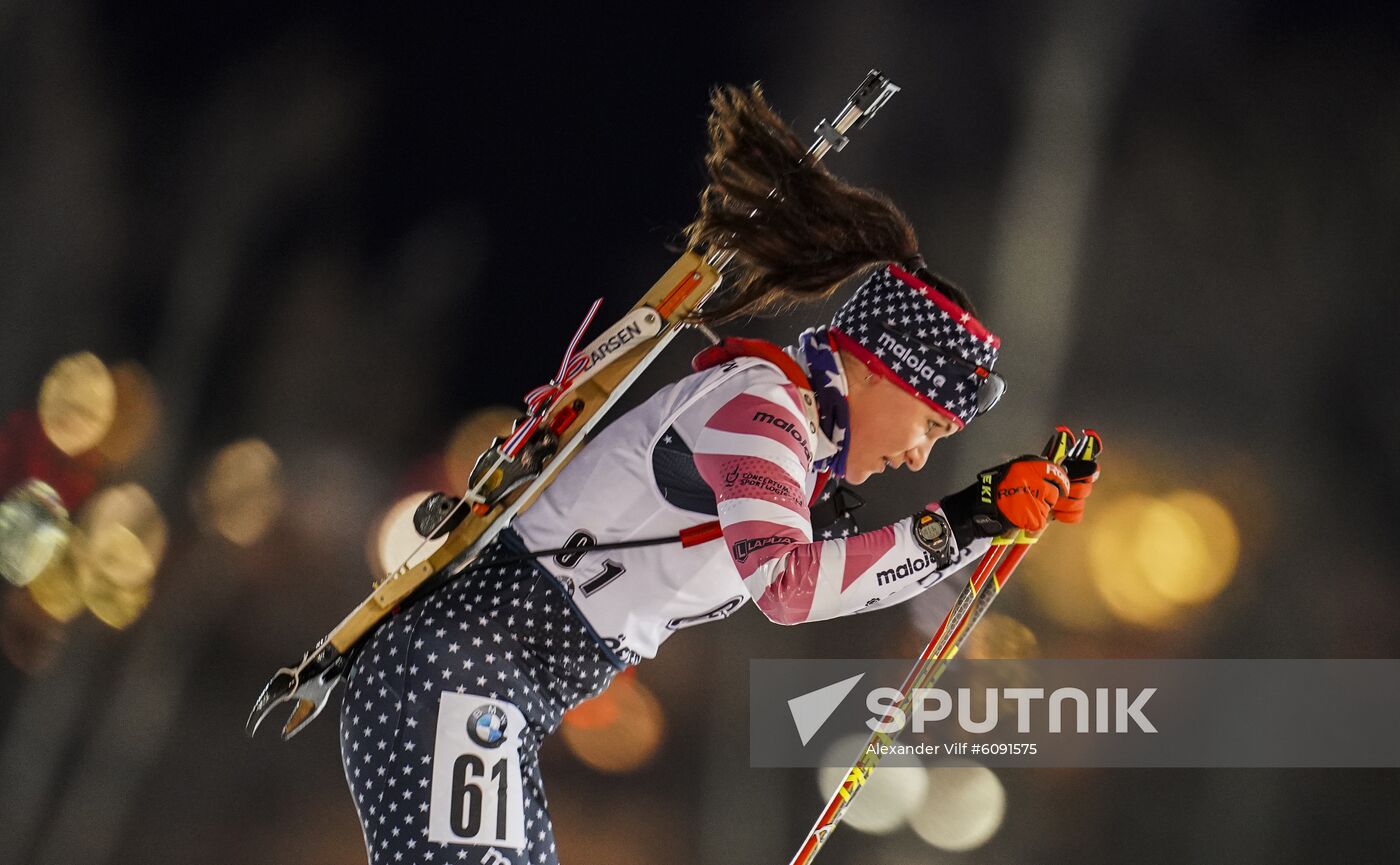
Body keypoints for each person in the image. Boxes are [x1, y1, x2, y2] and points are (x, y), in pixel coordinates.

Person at [338, 83, 1098, 865]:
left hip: (487, 691)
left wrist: (981, 523)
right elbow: (792, 587)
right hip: (456, 678)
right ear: (880, 370)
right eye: (931, 425)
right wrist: (967, 519)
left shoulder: (789, 432)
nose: (918, 454)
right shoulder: (759, 406)